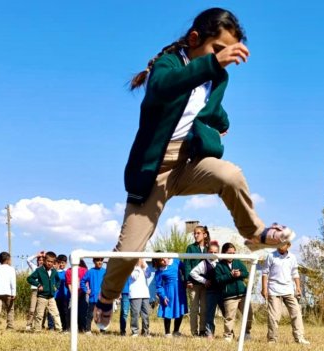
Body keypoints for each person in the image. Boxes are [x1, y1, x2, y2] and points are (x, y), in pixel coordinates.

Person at [95, 7, 296, 328]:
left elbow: (210, 109)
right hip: (154, 170)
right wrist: (212, 62)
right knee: (130, 249)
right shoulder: (169, 64)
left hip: (190, 162)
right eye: (218, 50)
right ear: (194, 40)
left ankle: (254, 233)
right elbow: (164, 88)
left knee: (229, 174)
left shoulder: (219, 77)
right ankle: (106, 297)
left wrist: (222, 121)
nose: (223, 58)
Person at [262, 242, 310, 345]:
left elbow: (295, 273)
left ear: (288, 246)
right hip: (274, 290)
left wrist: (298, 287)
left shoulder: (292, 257)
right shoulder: (271, 256)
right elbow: (265, 273)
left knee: (296, 313)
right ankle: (272, 340)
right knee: (274, 316)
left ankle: (299, 338)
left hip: (288, 290)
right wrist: (264, 289)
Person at [214, 243, 252, 342]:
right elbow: (218, 280)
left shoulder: (238, 262)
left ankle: (246, 333)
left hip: (243, 294)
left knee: (248, 314)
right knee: (229, 317)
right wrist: (230, 275)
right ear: (224, 253)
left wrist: (240, 274)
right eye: (229, 253)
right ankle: (228, 335)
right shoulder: (219, 266)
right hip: (229, 296)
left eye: (234, 253)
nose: (232, 255)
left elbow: (246, 273)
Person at [189, 241, 222, 340]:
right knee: (209, 313)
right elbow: (192, 273)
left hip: (221, 291)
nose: (213, 254)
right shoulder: (204, 263)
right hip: (210, 291)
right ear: (207, 252)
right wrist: (204, 281)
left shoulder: (220, 262)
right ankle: (208, 333)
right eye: (211, 252)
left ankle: (229, 333)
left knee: (226, 313)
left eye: (215, 252)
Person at [26, 251, 63, 332]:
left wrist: (56, 287)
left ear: (54, 262)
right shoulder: (39, 270)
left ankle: (59, 329)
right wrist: (38, 285)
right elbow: (29, 279)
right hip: (42, 297)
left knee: (56, 313)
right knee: (39, 315)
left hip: (51, 297)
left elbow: (58, 280)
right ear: (45, 260)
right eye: (48, 261)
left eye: (52, 262)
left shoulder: (54, 271)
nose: (50, 263)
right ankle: (37, 330)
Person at [184, 225, 210, 336]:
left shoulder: (209, 249)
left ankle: (203, 330)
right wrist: (187, 281)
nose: (195, 235)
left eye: (198, 233)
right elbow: (187, 265)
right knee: (194, 309)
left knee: (204, 308)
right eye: (194, 233)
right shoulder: (190, 248)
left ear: (204, 234)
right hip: (193, 284)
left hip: (206, 285)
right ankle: (194, 332)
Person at [153, 256, 187, 337]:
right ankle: (167, 333)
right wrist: (163, 296)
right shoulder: (159, 272)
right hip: (169, 293)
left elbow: (186, 269)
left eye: (164, 258)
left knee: (180, 310)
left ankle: (176, 331)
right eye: (161, 260)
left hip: (180, 291)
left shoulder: (176, 261)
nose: (164, 260)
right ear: (158, 262)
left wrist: (186, 280)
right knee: (167, 311)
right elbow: (159, 286)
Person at [0, 252, 17, 332]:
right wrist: (14, 293)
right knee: (10, 309)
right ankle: (10, 326)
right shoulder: (11, 269)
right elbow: (13, 282)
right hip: (8, 292)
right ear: (8, 260)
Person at [81, 258, 106, 333]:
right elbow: (82, 281)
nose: (99, 262)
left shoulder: (105, 271)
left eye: (101, 261)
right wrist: (86, 290)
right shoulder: (90, 272)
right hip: (93, 298)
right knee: (90, 315)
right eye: (98, 261)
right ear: (94, 262)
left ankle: (102, 331)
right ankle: (88, 330)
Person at [128, 259, 152, 337]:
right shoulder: (130, 263)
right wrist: (138, 266)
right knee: (135, 314)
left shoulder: (143, 262)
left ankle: (145, 332)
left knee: (146, 314)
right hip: (135, 294)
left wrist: (144, 266)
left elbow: (148, 275)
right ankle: (135, 332)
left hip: (145, 293)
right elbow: (134, 276)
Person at [65, 259, 89, 333]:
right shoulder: (68, 271)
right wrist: (73, 294)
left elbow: (86, 282)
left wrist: (85, 291)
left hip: (83, 293)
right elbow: (69, 283)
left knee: (83, 312)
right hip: (73, 293)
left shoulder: (84, 270)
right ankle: (69, 328)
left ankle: (82, 328)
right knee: (70, 310)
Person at [25, 251, 44, 331]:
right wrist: (37, 255)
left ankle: (40, 325)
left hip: (43, 291)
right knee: (32, 309)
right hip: (35, 290)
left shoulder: (47, 270)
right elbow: (28, 260)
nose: (41, 261)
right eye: (39, 260)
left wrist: (46, 255)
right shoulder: (34, 267)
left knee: (42, 309)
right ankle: (29, 324)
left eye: (43, 260)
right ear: (37, 261)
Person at [55, 254, 71, 332]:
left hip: (65, 295)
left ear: (66, 263)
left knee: (65, 312)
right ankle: (58, 327)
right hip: (56, 296)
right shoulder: (55, 273)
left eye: (63, 263)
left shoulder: (67, 272)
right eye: (60, 263)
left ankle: (66, 328)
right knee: (57, 312)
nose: (61, 264)